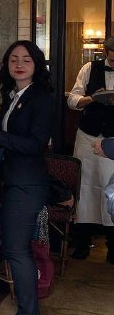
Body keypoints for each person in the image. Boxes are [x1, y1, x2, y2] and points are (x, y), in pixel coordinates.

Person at [0, 40, 54, 315]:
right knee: (15, 249)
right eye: (13, 59)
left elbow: (35, 145)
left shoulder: (42, 98)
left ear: (36, 64)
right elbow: (11, 140)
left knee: (16, 250)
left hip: (28, 184)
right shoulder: (15, 95)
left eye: (26, 59)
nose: (19, 64)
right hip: (15, 182)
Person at [67, 37, 114, 258]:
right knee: (85, 187)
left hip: (112, 141)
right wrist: (92, 99)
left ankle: (113, 247)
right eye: (112, 60)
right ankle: (82, 243)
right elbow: (72, 100)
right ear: (106, 53)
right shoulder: (89, 68)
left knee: (111, 189)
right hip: (88, 136)